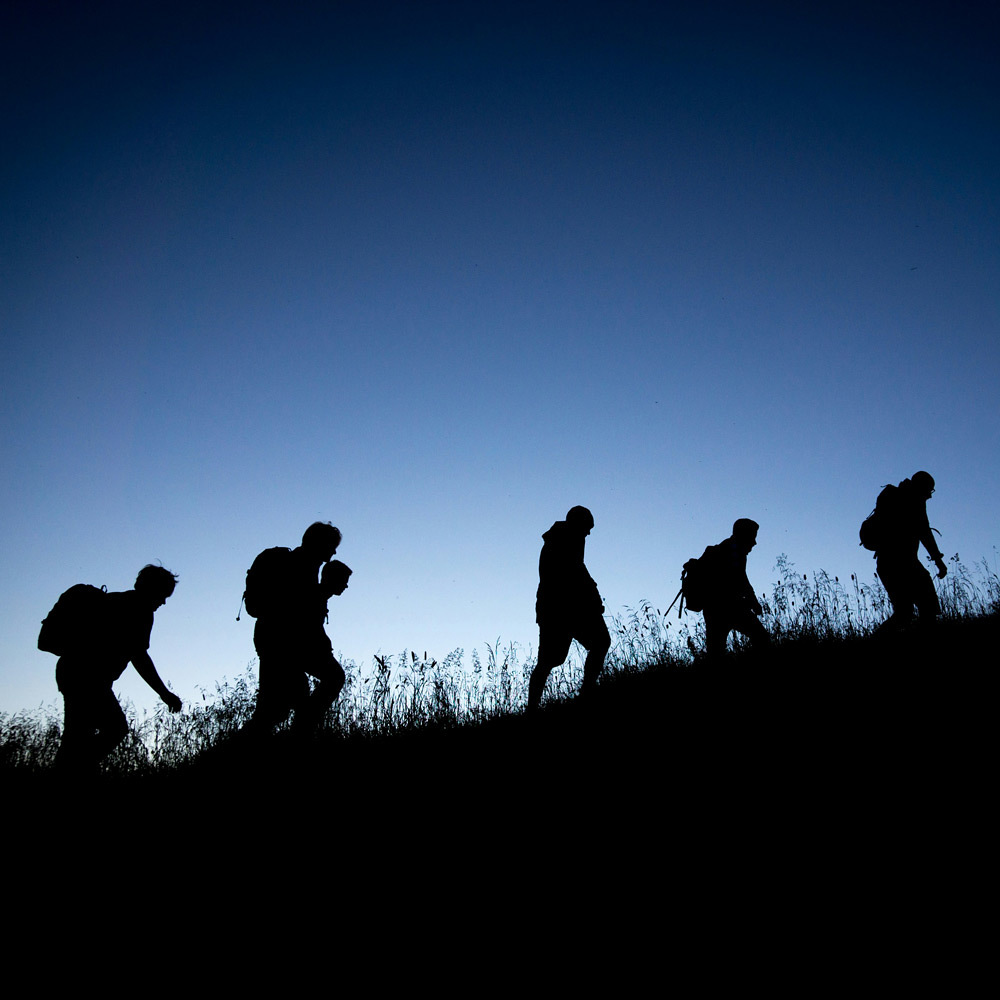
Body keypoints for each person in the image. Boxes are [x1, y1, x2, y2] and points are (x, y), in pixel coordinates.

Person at [51, 564, 182, 773]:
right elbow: (139, 656)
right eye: (163, 594)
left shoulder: (114, 599)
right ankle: (76, 769)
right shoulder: (140, 610)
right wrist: (165, 694)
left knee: (76, 735)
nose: (164, 601)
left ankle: (72, 769)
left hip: (71, 670)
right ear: (153, 589)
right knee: (114, 728)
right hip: (89, 678)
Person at [244, 521, 351, 735]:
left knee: (275, 710)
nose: (334, 551)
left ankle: (298, 735)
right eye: (331, 545)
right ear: (320, 544)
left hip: (274, 642)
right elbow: (299, 618)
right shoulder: (300, 567)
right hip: (282, 645)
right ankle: (299, 738)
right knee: (276, 709)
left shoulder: (306, 567)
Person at [527, 505, 610, 711]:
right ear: (578, 523)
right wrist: (592, 598)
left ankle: (585, 691)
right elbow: (575, 574)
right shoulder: (564, 540)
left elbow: (578, 571)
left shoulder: (564, 539)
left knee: (597, 643)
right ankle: (534, 707)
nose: (589, 533)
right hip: (562, 610)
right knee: (549, 661)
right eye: (587, 528)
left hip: (561, 609)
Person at [870, 471, 947, 630]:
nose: (930, 496)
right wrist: (938, 561)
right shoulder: (913, 500)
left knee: (905, 613)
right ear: (922, 487)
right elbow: (924, 532)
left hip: (888, 563)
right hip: (902, 563)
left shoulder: (893, 495)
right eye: (929, 490)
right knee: (922, 610)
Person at [700, 519, 771, 657]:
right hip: (729, 608)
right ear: (743, 535)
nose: (754, 543)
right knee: (762, 638)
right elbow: (740, 580)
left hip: (713, 610)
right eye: (752, 537)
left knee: (715, 654)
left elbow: (741, 580)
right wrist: (753, 603)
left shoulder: (729, 549)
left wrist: (752, 601)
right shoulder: (733, 552)